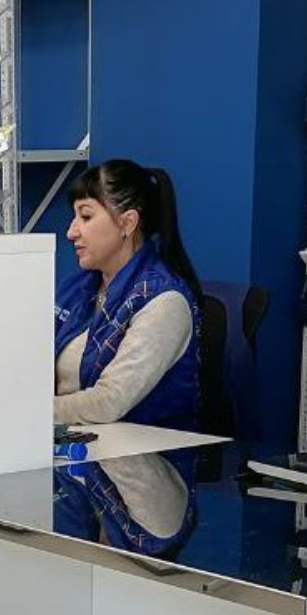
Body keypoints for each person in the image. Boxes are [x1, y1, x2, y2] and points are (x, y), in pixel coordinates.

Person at [54, 160, 202, 432]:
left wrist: (26, 412)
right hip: (79, 440)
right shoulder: (77, 287)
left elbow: (109, 401)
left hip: (144, 452)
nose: (71, 232)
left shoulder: (164, 303)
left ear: (127, 223)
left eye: (85, 216)